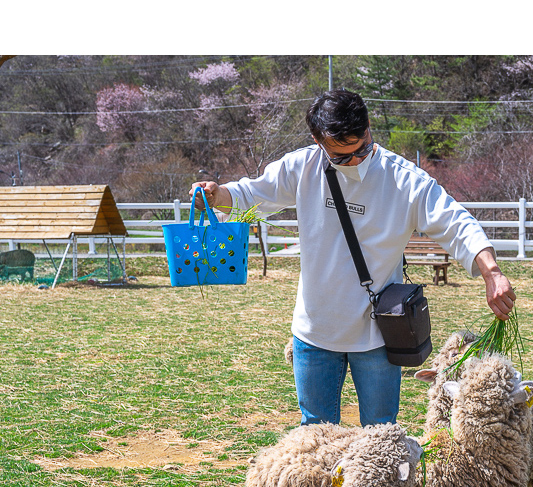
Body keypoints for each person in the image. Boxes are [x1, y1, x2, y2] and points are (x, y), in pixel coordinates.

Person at [190, 88, 516, 427]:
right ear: (318, 140)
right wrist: (214, 196)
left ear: (369, 126)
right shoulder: (303, 167)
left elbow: (457, 222)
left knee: (380, 433)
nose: (356, 161)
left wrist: (492, 272)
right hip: (314, 333)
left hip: (377, 335)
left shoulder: (403, 180)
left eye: (362, 148)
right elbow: (252, 193)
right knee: (314, 435)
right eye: (342, 157)